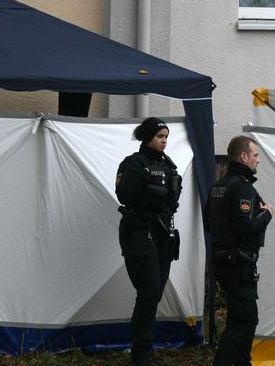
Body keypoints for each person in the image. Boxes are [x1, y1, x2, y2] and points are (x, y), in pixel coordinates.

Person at [115, 117, 183, 366]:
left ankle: (144, 352)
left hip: (162, 233)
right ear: (147, 137)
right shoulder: (134, 163)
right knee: (149, 291)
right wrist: (145, 177)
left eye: (166, 136)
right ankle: (141, 355)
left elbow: (171, 199)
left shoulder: (168, 165)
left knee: (154, 293)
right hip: (138, 232)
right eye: (159, 136)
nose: (164, 140)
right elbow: (124, 194)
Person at [207, 135, 274, 366]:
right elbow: (246, 226)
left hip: (223, 260)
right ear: (243, 157)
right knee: (241, 321)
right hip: (237, 263)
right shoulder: (242, 188)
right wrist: (267, 214)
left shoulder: (219, 186)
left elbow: (209, 223)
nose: (258, 160)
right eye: (255, 155)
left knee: (249, 318)